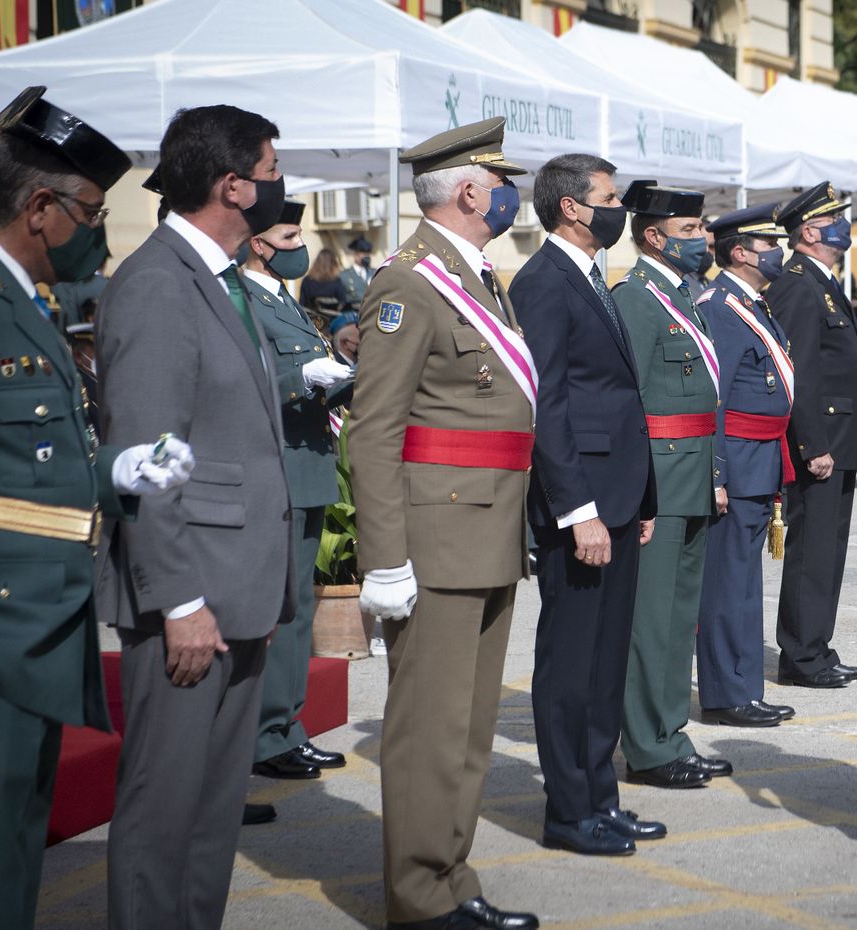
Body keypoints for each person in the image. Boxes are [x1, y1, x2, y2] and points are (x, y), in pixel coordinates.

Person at [0, 86, 194, 930]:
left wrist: (119, 468)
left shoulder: (27, 302)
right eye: (89, 212)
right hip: (5, 617)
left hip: (38, 617)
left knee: (17, 832)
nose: (97, 233)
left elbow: (38, 454)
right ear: (40, 209)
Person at [94, 103, 292, 930]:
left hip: (235, 588)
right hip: (190, 597)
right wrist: (179, 601)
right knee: (164, 810)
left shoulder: (217, 277)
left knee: (211, 813)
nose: (281, 187)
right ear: (232, 185)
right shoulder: (158, 283)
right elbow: (148, 461)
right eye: (272, 171)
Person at [348, 117, 539, 930]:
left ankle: (451, 877)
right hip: (438, 538)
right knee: (430, 727)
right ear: (469, 191)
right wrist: (385, 559)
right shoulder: (410, 282)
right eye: (501, 185)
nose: (510, 197)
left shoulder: (476, 275)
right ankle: (419, 895)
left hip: (489, 530)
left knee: (468, 729)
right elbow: (375, 429)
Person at [507, 153, 662, 858]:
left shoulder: (594, 276)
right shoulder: (543, 281)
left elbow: (617, 397)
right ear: (571, 207)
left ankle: (602, 797)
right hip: (583, 510)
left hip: (619, 499)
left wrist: (642, 496)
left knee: (605, 664)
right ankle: (568, 810)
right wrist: (578, 511)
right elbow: (548, 406)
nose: (618, 208)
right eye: (608, 197)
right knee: (571, 666)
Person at [609, 180, 733, 787]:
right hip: (659, 479)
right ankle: (647, 746)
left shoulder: (682, 295)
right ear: (655, 238)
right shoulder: (636, 298)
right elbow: (628, 403)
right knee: (651, 622)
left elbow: (704, 400)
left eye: (702, 228)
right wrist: (639, 493)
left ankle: (670, 735)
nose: (703, 238)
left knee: (680, 619)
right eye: (690, 230)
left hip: (692, 476)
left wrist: (715, 476)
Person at [241, 199, 353, 816]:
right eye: (289, 236)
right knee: (281, 607)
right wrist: (302, 380)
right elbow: (252, 379)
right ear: (259, 244)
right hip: (280, 467)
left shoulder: (283, 300)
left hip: (307, 464)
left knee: (298, 605)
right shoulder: (245, 299)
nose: (299, 245)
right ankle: (270, 735)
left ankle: (285, 727)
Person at [694, 203, 798, 728]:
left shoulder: (753, 304)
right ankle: (726, 694)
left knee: (745, 586)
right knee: (727, 586)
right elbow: (713, 398)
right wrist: (717, 474)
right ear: (740, 252)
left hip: (759, 462)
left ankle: (745, 688)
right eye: (769, 245)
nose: (778, 253)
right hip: (736, 464)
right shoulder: (720, 307)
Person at [766, 182, 857, 689]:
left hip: (839, 438)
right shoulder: (797, 284)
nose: (842, 227)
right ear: (809, 232)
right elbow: (799, 371)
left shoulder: (821, 282)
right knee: (811, 551)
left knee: (829, 550)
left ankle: (817, 648)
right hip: (821, 442)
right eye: (833, 221)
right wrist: (812, 445)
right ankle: (801, 656)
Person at [300, 247, 350, 312]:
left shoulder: (307, 280)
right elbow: (343, 303)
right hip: (332, 317)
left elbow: (301, 304)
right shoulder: (336, 281)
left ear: (316, 262)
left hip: (311, 316)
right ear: (333, 263)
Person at [338, 234, 374, 308]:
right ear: (355, 255)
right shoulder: (345, 275)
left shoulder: (374, 273)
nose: (366, 256)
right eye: (363, 254)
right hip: (354, 310)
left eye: (367, 254)